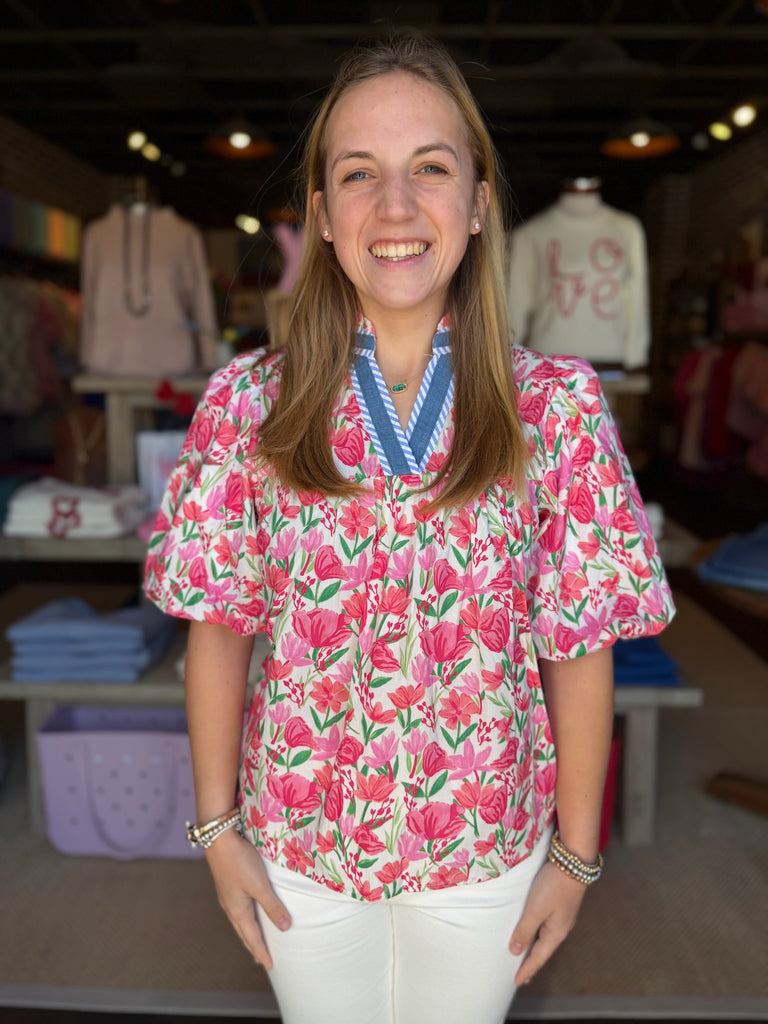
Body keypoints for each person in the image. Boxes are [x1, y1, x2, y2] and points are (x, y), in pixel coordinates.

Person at [144, 32, 675, 1024]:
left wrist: (575, 855)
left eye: (430, 168)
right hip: (301, 846)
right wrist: (217, 831)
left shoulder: (556, 408)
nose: (394, 206)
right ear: (322, 215)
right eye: (359, 174)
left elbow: (580, 645)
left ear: (477, 203)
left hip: (485, 846)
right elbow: (218, 628)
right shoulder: (247, 405)